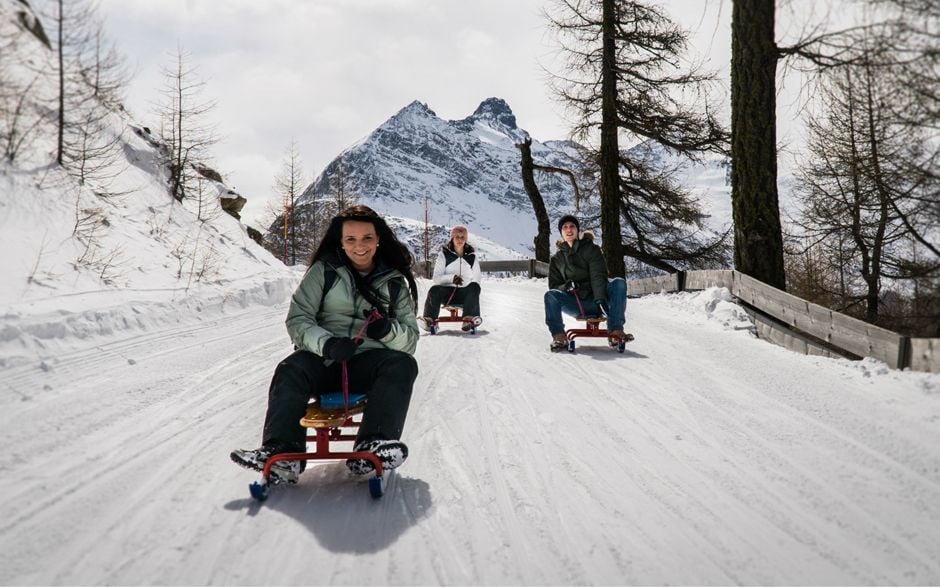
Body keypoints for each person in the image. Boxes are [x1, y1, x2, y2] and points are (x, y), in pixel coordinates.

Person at [231, 205, 420, 484]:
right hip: (325, 359)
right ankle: (283, 452)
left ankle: (373, 446)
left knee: (403, 364)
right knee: (290, 368)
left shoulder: (394, 283)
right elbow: (298, 319)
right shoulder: (324, 272)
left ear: (378, 239)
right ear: (340, 242)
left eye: (367, 238)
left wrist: (387, 331)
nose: (359, 246)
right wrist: (327, 343)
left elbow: (411, 339)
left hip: (370, 364)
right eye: (351, 239)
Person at [544, 214, 629, 352]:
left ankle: (615, 330)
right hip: (576, 303)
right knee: (550, 295)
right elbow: (554, 285)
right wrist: (567, 287)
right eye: (565, 227)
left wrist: (600, 301)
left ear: (578, 231)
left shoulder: (591, 249)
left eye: (572, 226)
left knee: (619, 282)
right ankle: (559, 336)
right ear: (561, 233)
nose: (569, 230)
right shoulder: (557, 259)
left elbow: (598, 276)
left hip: (598, 301)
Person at [419, 224, 483, 332]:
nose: (460, 240)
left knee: (475, 286)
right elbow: (436, 279)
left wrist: (471, 289)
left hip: (465, 294)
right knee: (434, 289)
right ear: (452, 238)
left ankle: (469, 319)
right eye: (457, 237)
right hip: (447, 293)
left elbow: (477, 278)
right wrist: (451, 278)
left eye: (462, 237)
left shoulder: (472, 257)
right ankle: (429, 320)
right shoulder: (444, 255)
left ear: (466, 239)